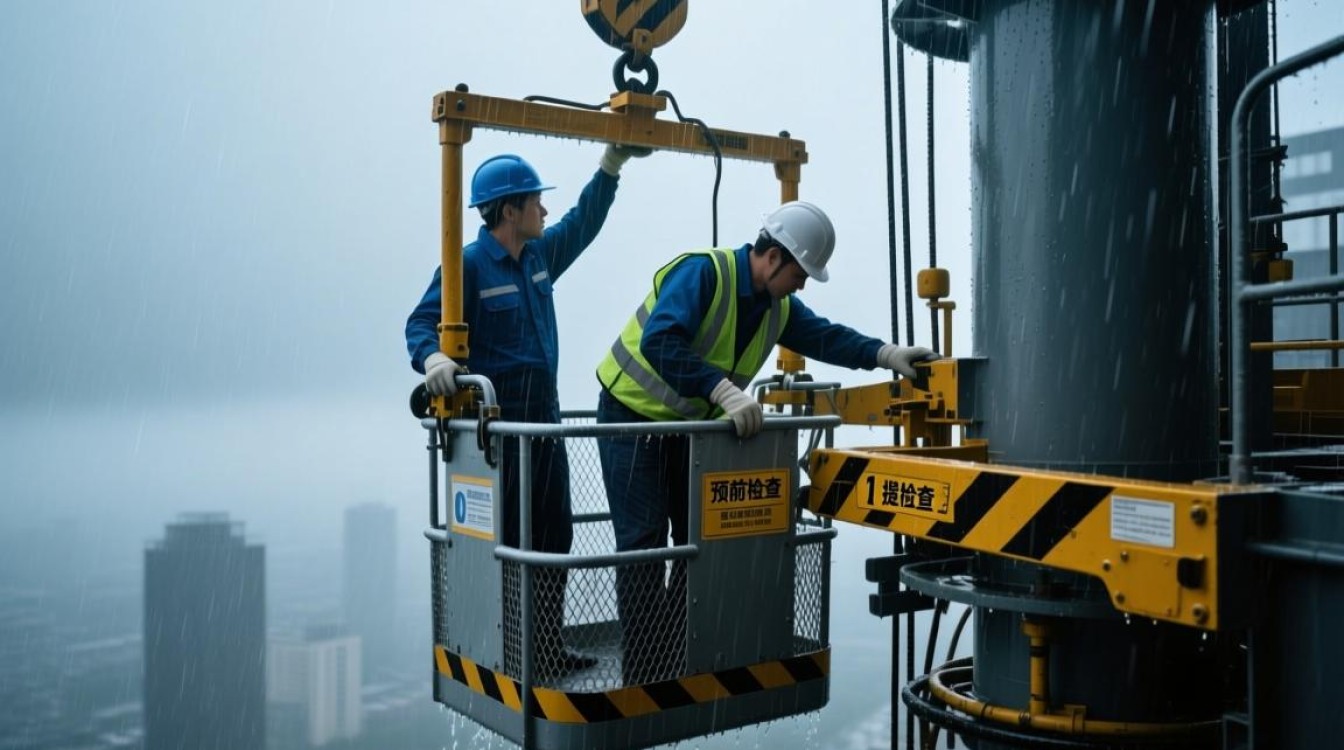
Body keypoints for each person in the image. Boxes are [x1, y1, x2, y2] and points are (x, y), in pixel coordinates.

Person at [592, 200, 938, 684]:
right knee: (644, 542)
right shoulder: (704, 274)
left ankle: (670, 650)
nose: (802, 285)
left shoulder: (776, 307)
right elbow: (659, 341)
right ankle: (644, 669)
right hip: (629, 420)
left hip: (682, 428)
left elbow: (825, 337)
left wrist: (885, 353)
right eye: (801, 273)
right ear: (773, 257)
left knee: (696, 539)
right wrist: (722, 390)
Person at [406, 145, 646, 679]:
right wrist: (434, 358)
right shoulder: (466, 265)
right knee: (510, 543)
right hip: (500, 430)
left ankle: (545, 646)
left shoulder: (538, 257)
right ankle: (511, 649)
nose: (543, 212)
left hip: (544, 421)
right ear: (509, 210)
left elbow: (583, 223)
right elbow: (419, 325)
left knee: (553, 534)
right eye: (536, 202)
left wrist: (611, 165)